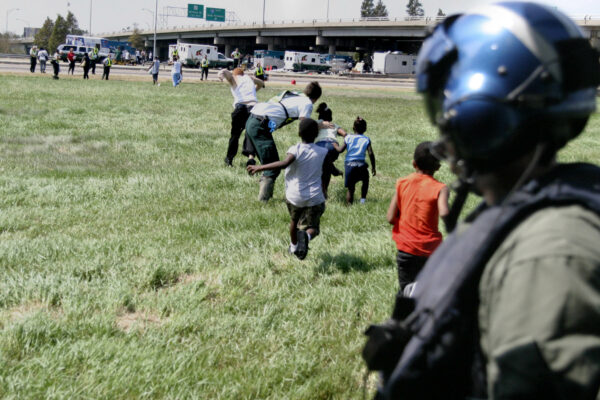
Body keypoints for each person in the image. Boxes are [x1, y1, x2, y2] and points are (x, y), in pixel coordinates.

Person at [363, 3, 600, 399]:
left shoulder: (550, 253)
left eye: (445, 107)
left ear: (477, 111)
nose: (442, 125)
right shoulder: (517, 210)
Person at [247, 118, 328, 260]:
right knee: (313, 227)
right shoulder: (323, 152)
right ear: (316, 134)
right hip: (315, 197)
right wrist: (337, 172)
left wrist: (260, 167)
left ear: (299, 133)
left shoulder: (295, 149)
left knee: (294, 220)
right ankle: (307, 236)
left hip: (294, 196)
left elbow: (284, 163)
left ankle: (293, 246)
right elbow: (329, 169)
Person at [244, 81, 326, 202]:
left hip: (253, 119)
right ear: (316, 98)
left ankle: (265, 193)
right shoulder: (307, 103)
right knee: (273, 166)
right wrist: (320, 125)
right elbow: (305, 126)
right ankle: (263, 201)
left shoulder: (296, 95)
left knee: (270, 162)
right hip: (260, 126)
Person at [386, 141, 449, 294]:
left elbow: (390, 217)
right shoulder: (440, 188)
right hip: (430, 249)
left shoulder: (402, 183)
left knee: (406, 289)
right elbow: (445, 213)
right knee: (430, 290)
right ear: (438, 167)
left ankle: (404, 315)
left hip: (406, 249)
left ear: (414, 164)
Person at [218, 67, 264, 167]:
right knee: (250, 133)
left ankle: (229, 159)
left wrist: (221, 75)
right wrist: (254, 90)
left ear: (234, 74)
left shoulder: (234, 78)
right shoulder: (248, 78)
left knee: (235, 135)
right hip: (254, 107)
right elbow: (261, 83)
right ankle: (251, 158)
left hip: (241, 107)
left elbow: (224, 72)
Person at [338, 117, 376, 204]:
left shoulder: (348, 138)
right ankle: (362, 200)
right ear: (365, 129)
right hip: (361, 165)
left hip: (349, 165)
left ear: (353, 128)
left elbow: (340, 150)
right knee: (365, 181)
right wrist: (373, 167)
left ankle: (349, 206)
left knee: (351, 189)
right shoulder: (366, 139)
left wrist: (335, 146)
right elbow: (370, 153)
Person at [314, 102, 346, 198]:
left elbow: (306, 129)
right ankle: (334, 172)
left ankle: (323, 192)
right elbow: (345, 134)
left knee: (322, 170)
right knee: (326, 169)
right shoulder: (334, 125)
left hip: (319, 146)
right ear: (330, 117)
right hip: (332, 147)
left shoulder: (316, 124)